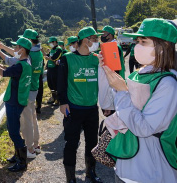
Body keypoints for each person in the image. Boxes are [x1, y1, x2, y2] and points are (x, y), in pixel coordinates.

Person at [101, 18, 177, 183]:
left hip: (150, 172)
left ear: (163, 47)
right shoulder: (137, 74)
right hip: (125, 166)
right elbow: (124, 109)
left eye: (143, 42)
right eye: (137, 41)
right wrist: (109, 75)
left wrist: (123, 91)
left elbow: (144, 128)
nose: (137, 46)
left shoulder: (168, 83)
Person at [58, 26, 110, 183]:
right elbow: (61, 82)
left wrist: (106, 103)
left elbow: (105, 81)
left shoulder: (96, 59)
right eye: (94, 39)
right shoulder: (67, 58)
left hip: (91, 108)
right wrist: (63, 102)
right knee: (71, 143)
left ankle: (90, 172)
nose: (96, 41)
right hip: (74, 108)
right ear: (85, 40)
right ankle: (71, 178)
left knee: (92, 142)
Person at [0, 29, 43, 158]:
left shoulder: (29, 57)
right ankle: (35, 145)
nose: (17, 47)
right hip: (34, 88)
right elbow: (16, 55)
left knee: (26, 122)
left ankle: (29, 149)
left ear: (29, 42)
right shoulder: (39, 54)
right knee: (32, 119)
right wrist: (2, 47)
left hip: (25, 91)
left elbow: (12, 59)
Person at [0, 37, 32, 172]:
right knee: (13, 129)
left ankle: (22, 162)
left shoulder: (20, 66)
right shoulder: (25, 62)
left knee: (13, 132)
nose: (14, 50)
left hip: (14, 101)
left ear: (22, 50)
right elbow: (7, 69)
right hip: (19, 100)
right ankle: (17, 155)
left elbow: (3, 72)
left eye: (16, 48)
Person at [97, 25, 126, 117]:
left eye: (104, 33)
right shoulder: (111, 46)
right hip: (114, 83)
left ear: (110, 35)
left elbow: (112, 70)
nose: (102, 36)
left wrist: (109, 105)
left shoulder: (113, 47)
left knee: (113, 116)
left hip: (113, 84)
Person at [45, 36, 63, 105]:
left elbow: (55, 57)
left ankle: (57, 100)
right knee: (50, 84)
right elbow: (48, 56)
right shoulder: (52, 49)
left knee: (55, 84)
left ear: (55, 42)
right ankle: (53, 98)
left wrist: (49, 58)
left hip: (55, 69)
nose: (50, 44)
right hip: (50, 69)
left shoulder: (59, 49)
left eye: (51, 42)